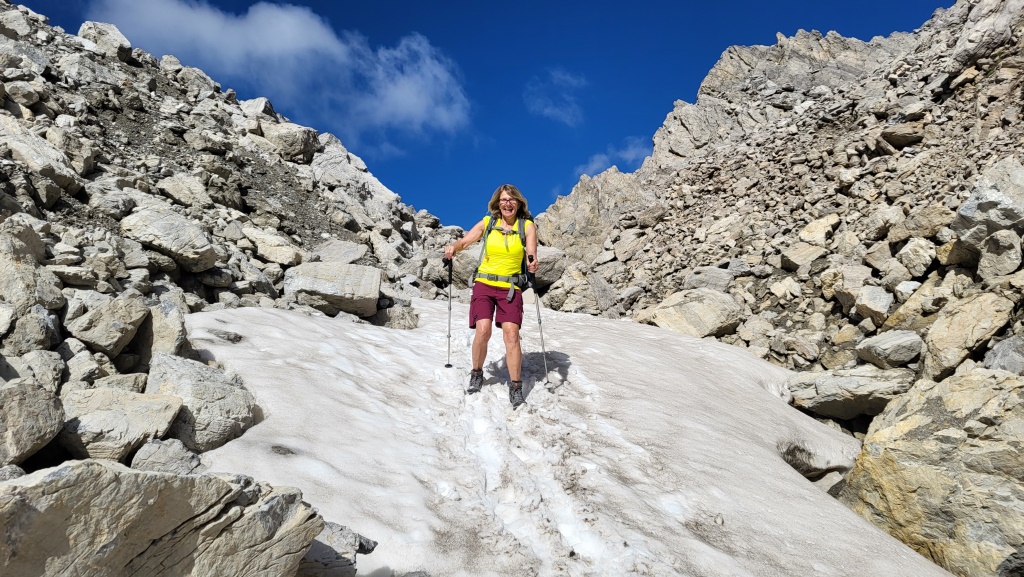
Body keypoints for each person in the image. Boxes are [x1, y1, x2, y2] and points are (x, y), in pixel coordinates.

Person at [444, 184, 538, 409]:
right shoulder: (488, 223)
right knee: (483, 330)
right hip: (484, 284)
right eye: (504, 200)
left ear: (519, 203)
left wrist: (533, 262)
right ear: (498, 203)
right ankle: (477, 372)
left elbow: (531, 253)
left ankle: (516, 387)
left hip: (510, 287)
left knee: (512, 335)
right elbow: (465, 241)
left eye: (512, 200)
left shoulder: (527, 226)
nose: (508, 204)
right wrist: (453, 247)